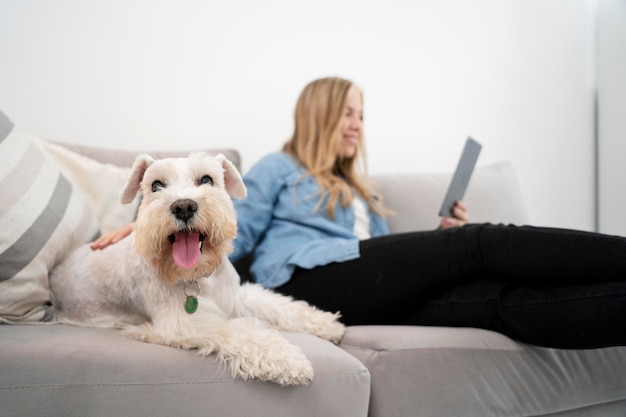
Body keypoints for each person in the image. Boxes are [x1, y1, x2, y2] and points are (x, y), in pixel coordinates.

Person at [92, 76, 626, 349]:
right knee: (481, 244)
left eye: (362, 115)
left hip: (365, 281)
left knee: (494, 304)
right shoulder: (281, 166)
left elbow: (389, 264)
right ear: (321, 114)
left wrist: (438, 237)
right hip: (311, 278)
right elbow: (231, 232)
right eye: (348, 112)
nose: (356, 124)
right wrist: (155, 226)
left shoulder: (364, 191)